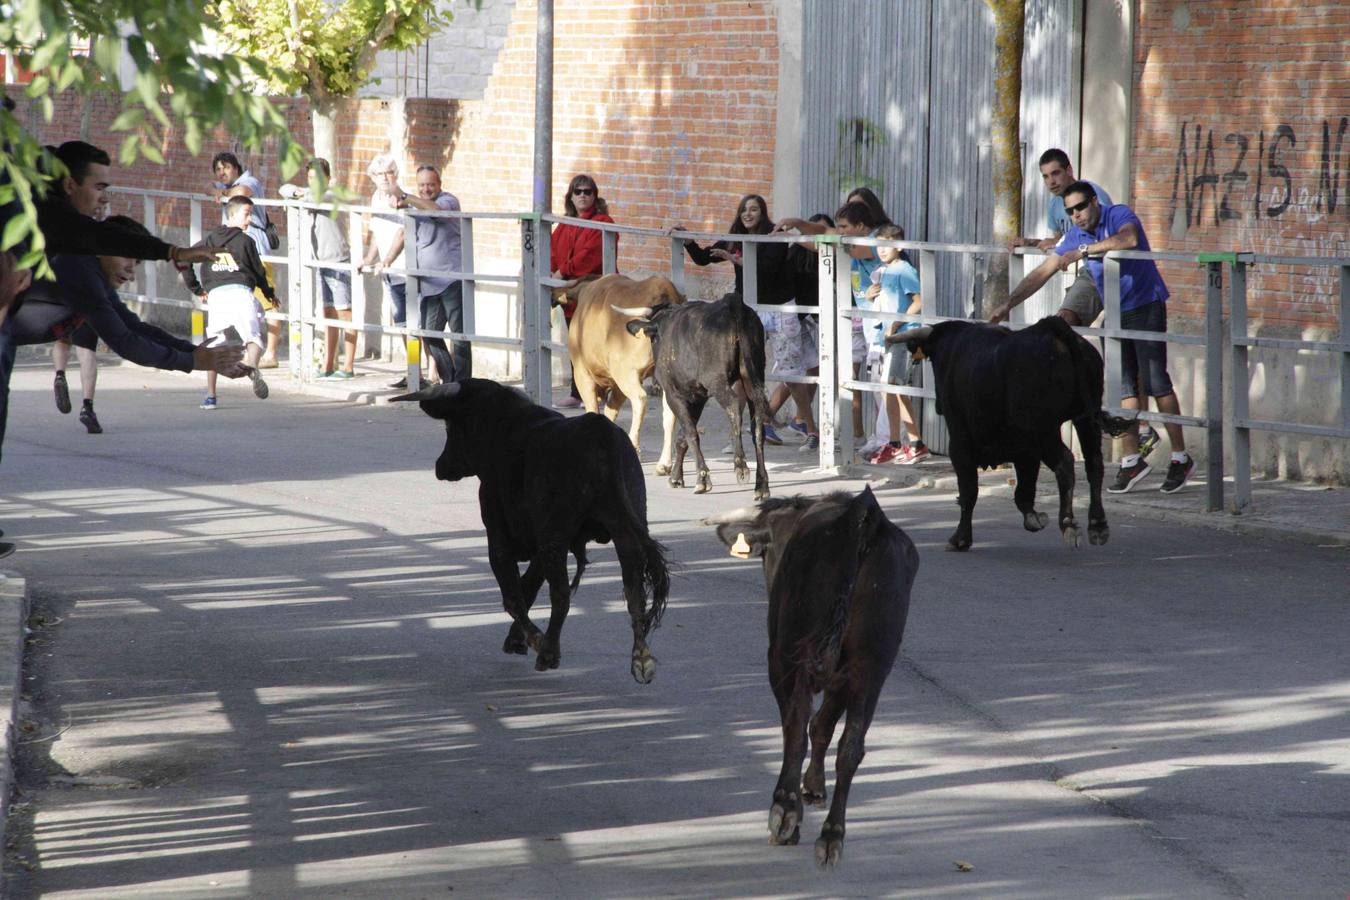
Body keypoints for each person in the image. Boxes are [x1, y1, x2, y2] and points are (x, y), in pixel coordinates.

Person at [989, 181, 1195, 494]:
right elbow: (1045, 270)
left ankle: (1180, 457)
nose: (1077, 215)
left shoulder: (1118, 215)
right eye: (1070, 211)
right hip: (1114, 309)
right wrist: (1008, 303)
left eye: (1081, 207)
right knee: (1123, 383)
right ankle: (1132, 460)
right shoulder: (1075, 233)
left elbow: (1128, 239)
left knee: (1155, 382)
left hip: (1145, 304)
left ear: (1094, 202)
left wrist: (1084, 251)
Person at [680, 193, 792, 444]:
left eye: (754, 209)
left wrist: (736, 260)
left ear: (763, 213)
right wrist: (689, 242)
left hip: (776, 307)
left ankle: (808, 427)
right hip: (747, 312)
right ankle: (739, 434)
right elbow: (704, 258)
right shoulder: (736, 237)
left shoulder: (774, 237)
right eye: (744, 209)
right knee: (743, 374)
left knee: (790, 371)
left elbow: (767, 270)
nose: (748, 214)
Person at [180, 196, 275, 408]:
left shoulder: (210, 240)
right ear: (232, 215)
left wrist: (196, 288)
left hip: (216, 297)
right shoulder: (246, 241)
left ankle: (211, 396)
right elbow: (259, 273)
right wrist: (269, 293)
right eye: (246, 214)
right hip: (241, 292)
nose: (249, 220)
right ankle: (251, 366)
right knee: (253, 338)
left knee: (214, 345)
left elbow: (184, 259)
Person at [279, 158, 356, 379]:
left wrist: (302, 193)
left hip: (338, 261)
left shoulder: (334, 193)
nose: (314, 183)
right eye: (310, 178)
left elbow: (317, 196)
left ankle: (349, 366)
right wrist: (299, 192)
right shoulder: (310, 193)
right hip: (319, 262)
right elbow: (284, 188)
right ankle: (328, 364)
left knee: (345, 313)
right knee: (327, 313)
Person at [550, 173, 615, 407]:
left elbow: (590, 255)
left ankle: (602, 392)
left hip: (594, 294)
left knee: (596, 344)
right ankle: (578, 393)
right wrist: (552, 274)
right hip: (570, 295)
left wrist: (561, 272)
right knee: (575, 343)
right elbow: (553, 252)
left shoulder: (603, 222)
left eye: (588, 191)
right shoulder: (565, 225)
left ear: (595, 196)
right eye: (578, 191)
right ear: (571, 196)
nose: (583, 196)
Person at [211, 151, 281, 367]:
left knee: (268, 300)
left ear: (236, 167)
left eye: (226, 168)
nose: (222, 173)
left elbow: (242, 191)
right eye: (218, 170)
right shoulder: (224, 187)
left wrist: (221, 193)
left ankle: (271, 353)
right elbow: (209, 189)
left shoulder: (248, 181)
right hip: (235, 251)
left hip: (256, 249)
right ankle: (250, 349)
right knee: (245, 301)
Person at [867, 224, 929, 464]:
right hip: (887, 338)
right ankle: (905, 443)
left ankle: (906, 443)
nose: (882, 250)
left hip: (903, 338)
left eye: (888, 244)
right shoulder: (884, 270)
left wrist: (897, 323)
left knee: (895, 389)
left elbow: (918, 301)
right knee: (892, 390)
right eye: (879, 245)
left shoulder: (904, 270)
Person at [402, 166, 470, 383]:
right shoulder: (416, 208)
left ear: (439, 184)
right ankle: (448, 380)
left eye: (431, 184)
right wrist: (382, 260)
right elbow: (403, 234)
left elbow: (435, 210)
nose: (426, 189)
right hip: (428, 283)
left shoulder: (448, 201)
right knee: (430, 334)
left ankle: (463, 384)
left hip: (451, 279)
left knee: (459, 335)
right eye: (421, 185)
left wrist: (405, 197)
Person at [360, 153, 414, 388]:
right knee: (402, 322)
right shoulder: (376, 198)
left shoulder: (401, 196)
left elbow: (403, 232)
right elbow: (377, 233)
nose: (384, 178)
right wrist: (368, 258)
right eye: (379, 174)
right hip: (390, 271)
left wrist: (388, 260)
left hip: (407, 268)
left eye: (389, 173)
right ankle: (414, 371)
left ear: (396, 175)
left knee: (416, 324)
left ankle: (429, 372)